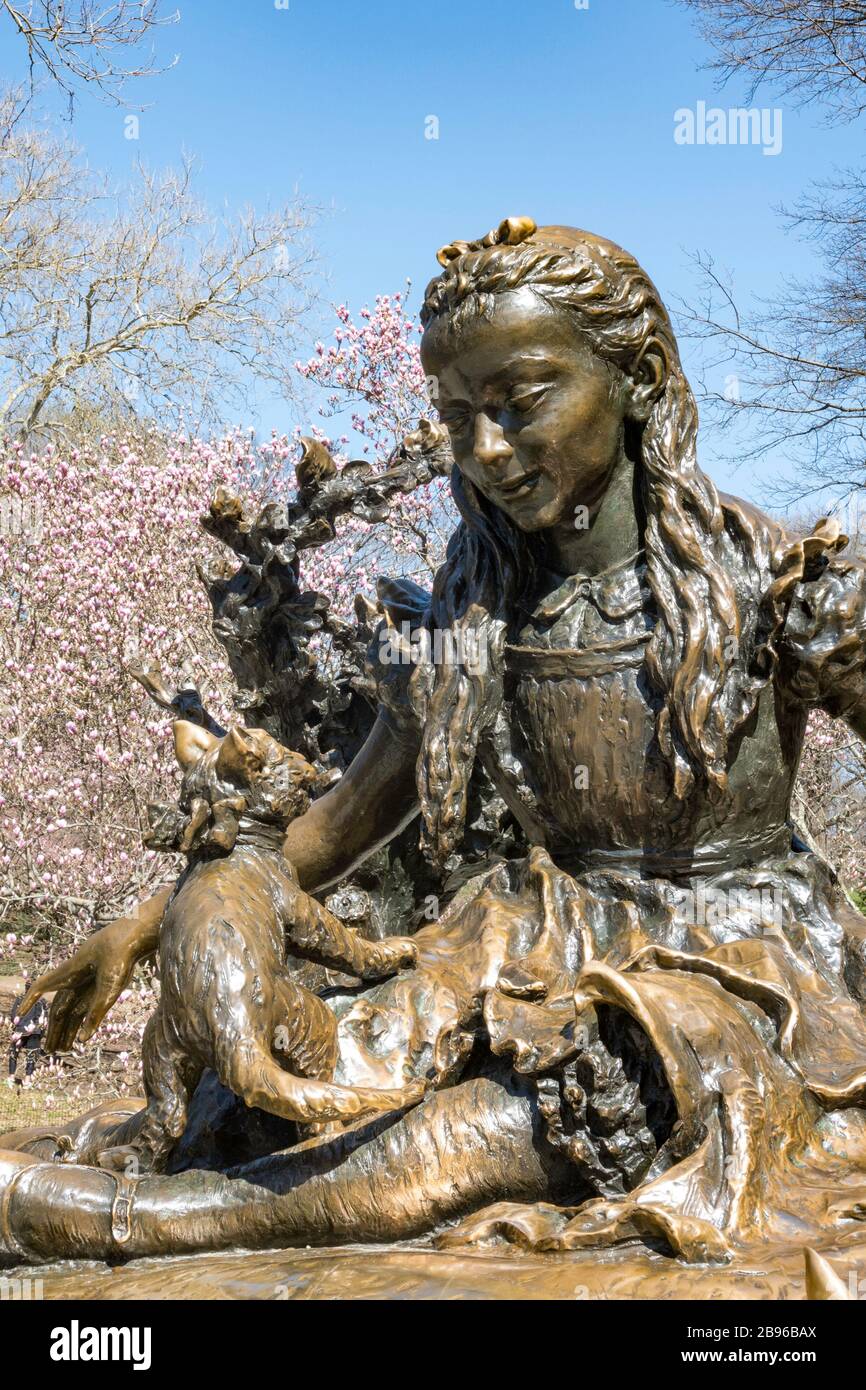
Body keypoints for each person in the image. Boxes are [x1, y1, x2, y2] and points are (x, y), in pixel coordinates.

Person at [8, 219, 866, 1265]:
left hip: (733, 969)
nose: (485, 448)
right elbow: (335, 826)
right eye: (458, 415)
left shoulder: (772, 582)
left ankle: (141, 1223)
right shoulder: (476, 615)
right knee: (300, 1062)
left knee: (546, 1108)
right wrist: (140, 929)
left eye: (520, 401)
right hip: (530, 938)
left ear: (636, 378)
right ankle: (149, 1180)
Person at [7, 980, 48, 1083]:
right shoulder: (42, 1002)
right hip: (35, 1032)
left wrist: (19, 1025)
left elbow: (13, 1016)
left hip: (19, 1031)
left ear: (26, 988)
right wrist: (40, 1033)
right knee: (32, 1055)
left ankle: (11, 1077)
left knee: (14, 1053)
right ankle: (27, 1080)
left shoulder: (20, 999)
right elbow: (44, 1021)